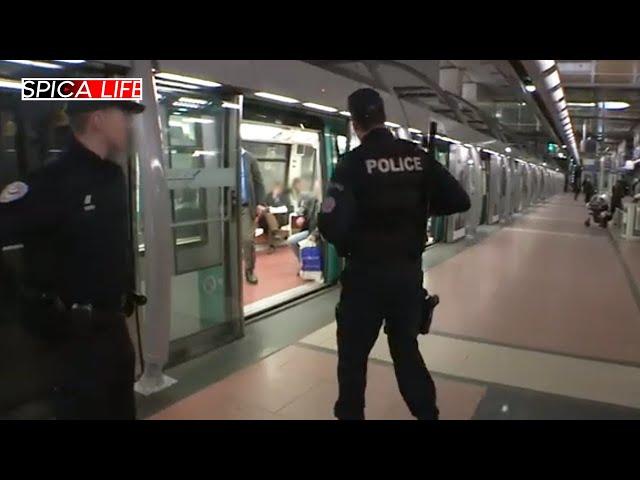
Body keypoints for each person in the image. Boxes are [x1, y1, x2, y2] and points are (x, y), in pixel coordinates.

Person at [318, 88, 470, 420]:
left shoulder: (352, 165)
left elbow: (330, 223)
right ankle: (428, 414)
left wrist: (350, 246)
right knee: (406, 352)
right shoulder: (417, 157)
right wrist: (421, 210)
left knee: (353, 361)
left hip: (364, 282)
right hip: (406, 279)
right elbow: (460, 200)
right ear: (384, 117)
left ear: (355, 122)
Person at [0, 100, 145, 419]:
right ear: (97, 119)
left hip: (115, 330)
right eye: (123, 115)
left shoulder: (113, 177)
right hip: (73, 341)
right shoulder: (48, 183)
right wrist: (33, 308)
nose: (129, 125)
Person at [239, 149, 266, 284]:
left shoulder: (249, 158)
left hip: (245, 206)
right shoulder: (224, 156)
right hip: (227, 206)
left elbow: (258, 182)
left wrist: (260, 203)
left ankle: (249, 270)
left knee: (247, 240)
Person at [287, 179, 321, 262]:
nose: (315, 191)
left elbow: (324, 223)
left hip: (320, 233)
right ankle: (303, 262)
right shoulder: (312, 199)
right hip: (310, 230)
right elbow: (304, 208)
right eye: (315, 189)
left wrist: (314, 235)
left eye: (317, 189)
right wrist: (301, 216)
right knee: (291, 241)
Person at [262, 182, 291, 252]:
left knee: (271, 225)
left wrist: (276, 200)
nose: (277, 189)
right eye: (276, 188)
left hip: (281, 218)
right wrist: (273, 197)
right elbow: (265, 206)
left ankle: (272, 244)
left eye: (279, 188)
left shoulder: (285, 196)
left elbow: (286, 208)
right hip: (268, 219)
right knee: (269, 215)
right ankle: (276, 231)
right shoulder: (268, 196)